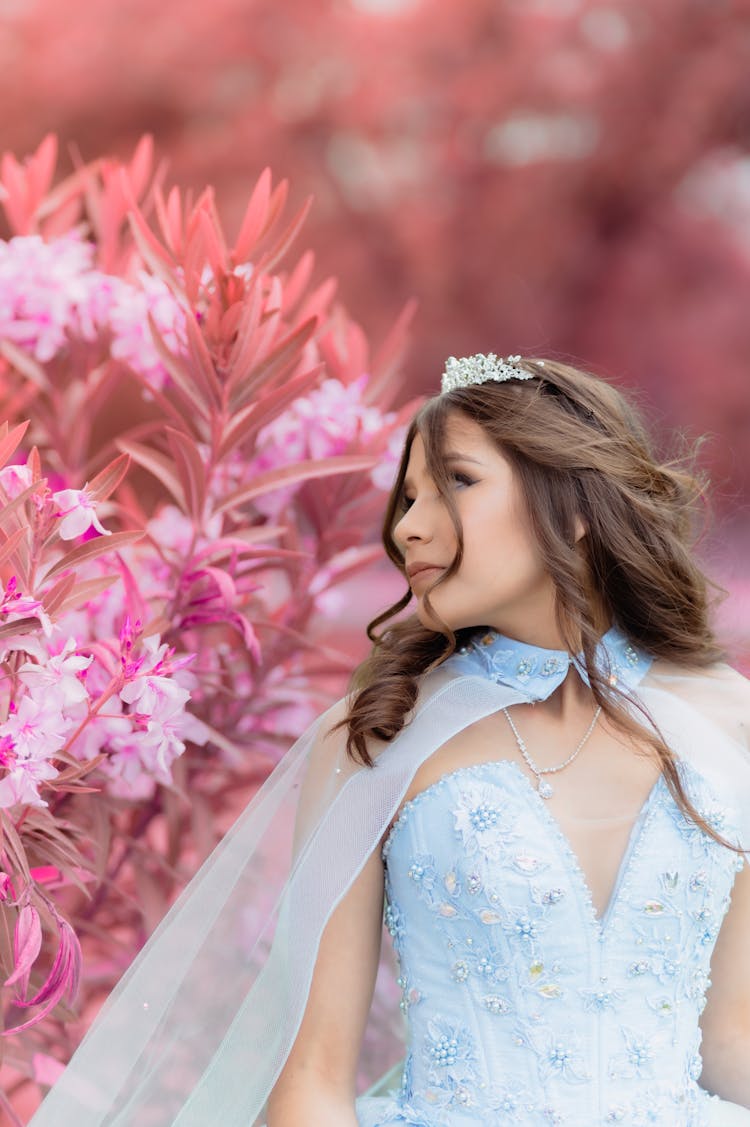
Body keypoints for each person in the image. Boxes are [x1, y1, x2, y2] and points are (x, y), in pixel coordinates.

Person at [29, 355, 750, 1127]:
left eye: (457, 482)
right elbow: (309, 1075)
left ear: (574, 504)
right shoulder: (381, 728)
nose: (408, 526)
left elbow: (729, 1038)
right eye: (408, 498)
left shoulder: (729, 717)